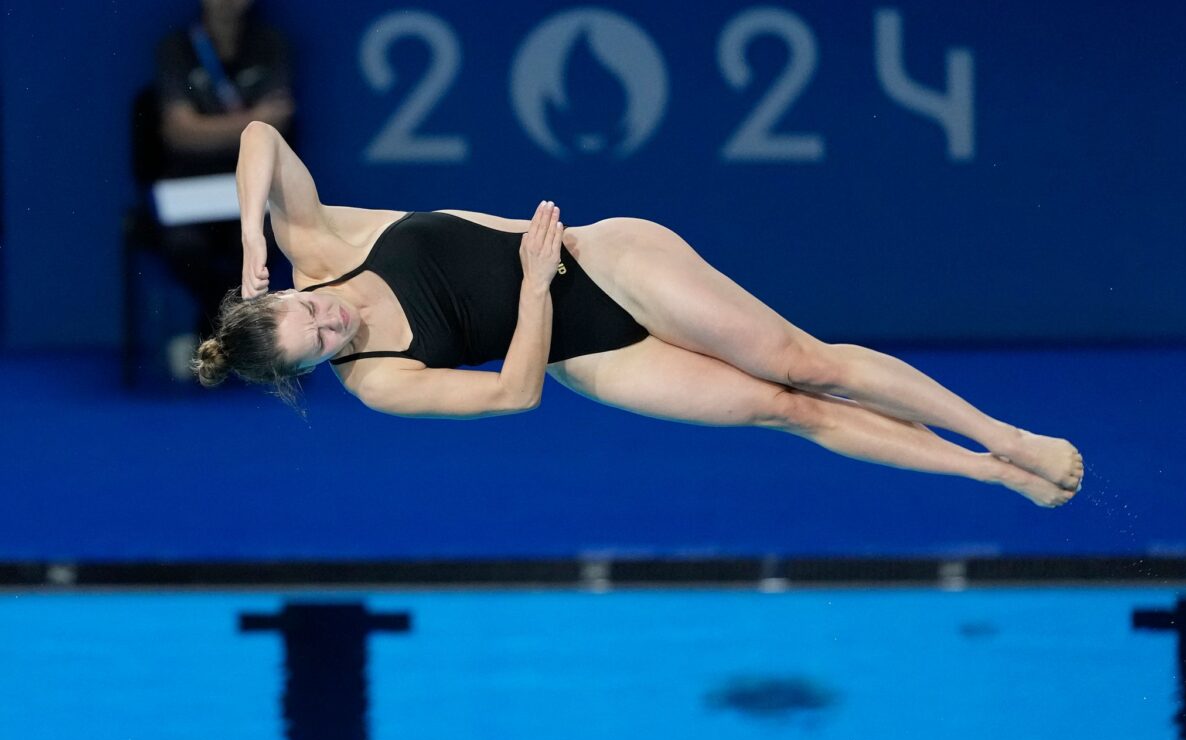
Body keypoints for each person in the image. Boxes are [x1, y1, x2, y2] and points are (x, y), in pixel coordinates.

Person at [195, 122, 1084, 508]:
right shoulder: (379, 383)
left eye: (311, 312)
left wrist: (247, 245)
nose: (332, 324)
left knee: (802, 362)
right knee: (788, 411)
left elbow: (260, 142)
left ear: (285, 290)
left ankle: (1004, 436)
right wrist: (533, 289)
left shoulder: (316, 245)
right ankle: (989, 477)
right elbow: (511, 396)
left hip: (610, 261)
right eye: (320, 348)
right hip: (587, 353)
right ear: (310, 376)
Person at [154, 0, 293, 375]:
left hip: (257, 188)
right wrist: (253, 129)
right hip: (190, 189)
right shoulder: (177, 47)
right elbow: (179, 133)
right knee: (185, 248)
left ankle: (211, 339)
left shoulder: (268, 44)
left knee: (257, 249)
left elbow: (279, 120)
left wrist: (207, 128)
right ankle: (228, 341)